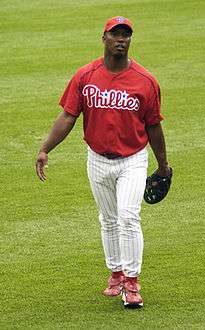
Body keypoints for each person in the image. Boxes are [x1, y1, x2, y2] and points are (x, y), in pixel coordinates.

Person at [36, 16, 171, 308]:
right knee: (108, 220)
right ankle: (116, 274)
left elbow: (153, 126)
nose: (121, 39)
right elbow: (68, 116)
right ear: (104, 38)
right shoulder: (86, 76)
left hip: (133, 160)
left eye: (126, 35)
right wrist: (46, 148)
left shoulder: (145, 81)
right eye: (115, 34)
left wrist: (162, 164)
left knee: (128, 216)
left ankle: (132, 284)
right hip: (97, 159)